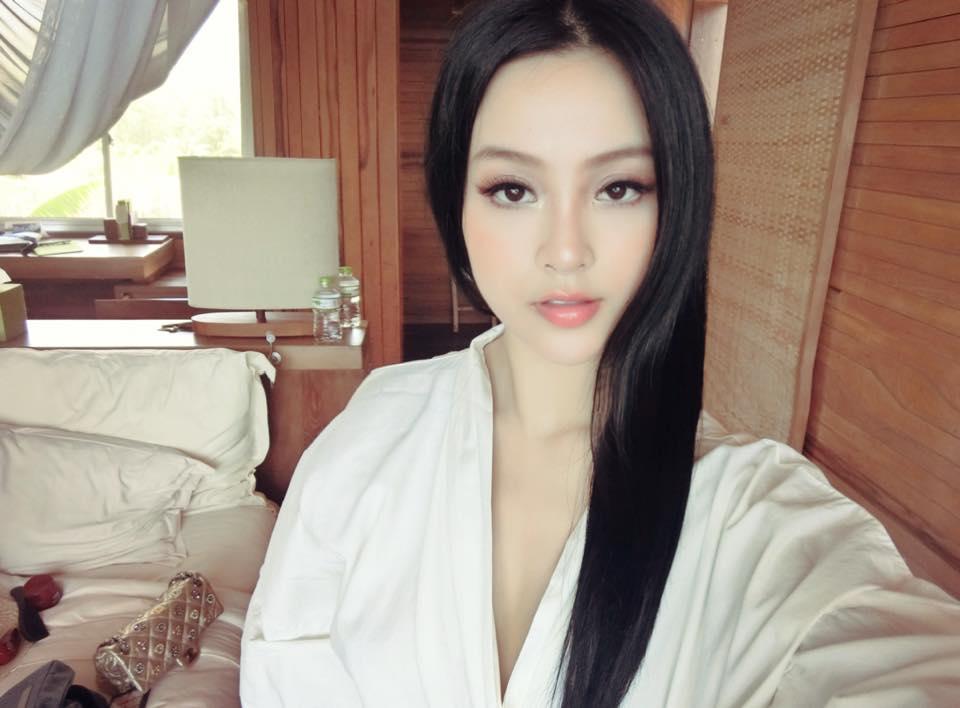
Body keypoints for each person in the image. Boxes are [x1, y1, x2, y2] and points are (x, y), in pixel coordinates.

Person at [239, 1, 960, 706]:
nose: (565, 250)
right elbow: (282, 664)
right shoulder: (376, 430)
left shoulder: (755, 517)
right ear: (455, 199)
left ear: (676, 202)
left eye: (618, 188)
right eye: (513, 189)